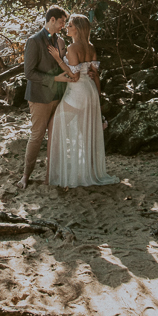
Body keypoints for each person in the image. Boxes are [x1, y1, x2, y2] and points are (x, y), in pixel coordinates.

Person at [45, 14, 118, 188]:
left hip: (77, 93)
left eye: (69, 25)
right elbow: (95, 75)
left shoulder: (72, 48)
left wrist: (57, 59)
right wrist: (97, 100)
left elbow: (75, 76)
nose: (67, 28)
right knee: (86, 133)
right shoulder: (91, 46)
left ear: (77, 28)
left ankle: (52, 174)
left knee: (54, 127)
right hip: (91, 91)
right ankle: (90, 171)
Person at [17, 6, 80, 190]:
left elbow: (66, 64)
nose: (63, 26)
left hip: (58, 96)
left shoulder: (60, 41)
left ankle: (50, 176)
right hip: (39, 97)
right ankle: (25, 176)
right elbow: (29, 73)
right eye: (61, 22)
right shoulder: (34, 41)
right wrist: (54, 78)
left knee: (55, 137)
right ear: (51, 20)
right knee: (37, 136)